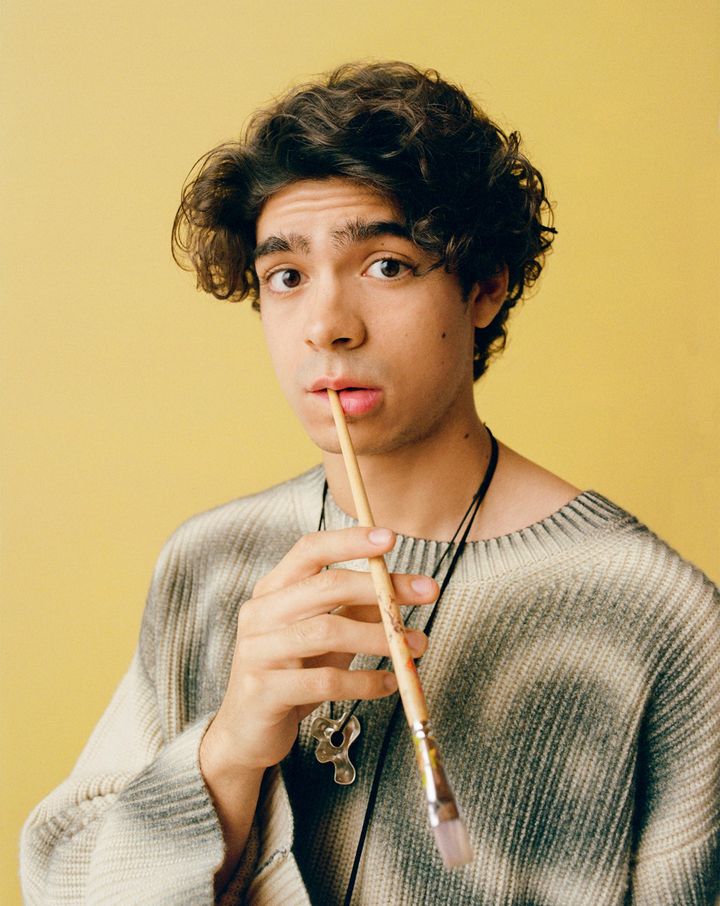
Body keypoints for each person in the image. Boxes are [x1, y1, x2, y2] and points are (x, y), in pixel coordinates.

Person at [20, 62, 719, 906]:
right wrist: (228, 752)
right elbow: (65, 885)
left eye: (386, 265)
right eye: (287, 277)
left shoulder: (658, 617)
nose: (325, 327)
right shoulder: (210, 564)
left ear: (485, 286)